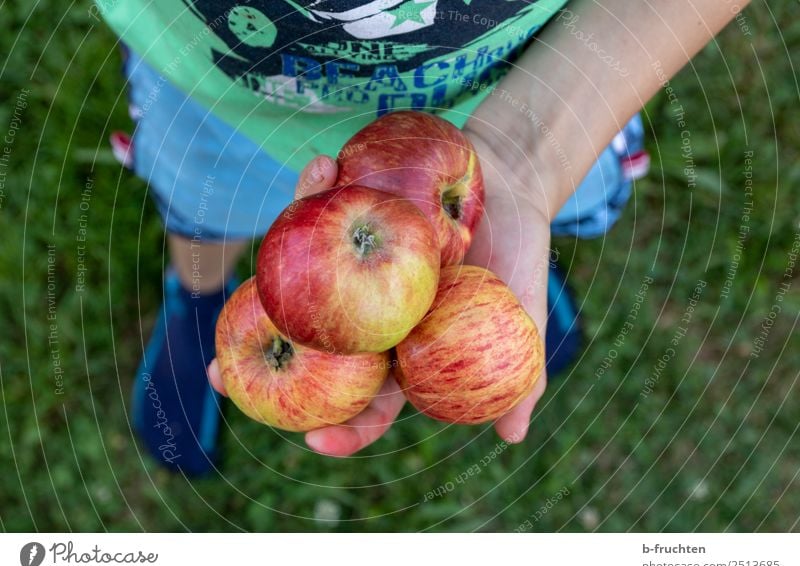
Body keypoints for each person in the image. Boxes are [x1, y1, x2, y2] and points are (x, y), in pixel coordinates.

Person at [98, 0, 747, 476]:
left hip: (534, 81)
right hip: (212, 82)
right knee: (205, 206)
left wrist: (530, 156)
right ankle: (198, 292)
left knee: (489, 221)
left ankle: (459, 277)